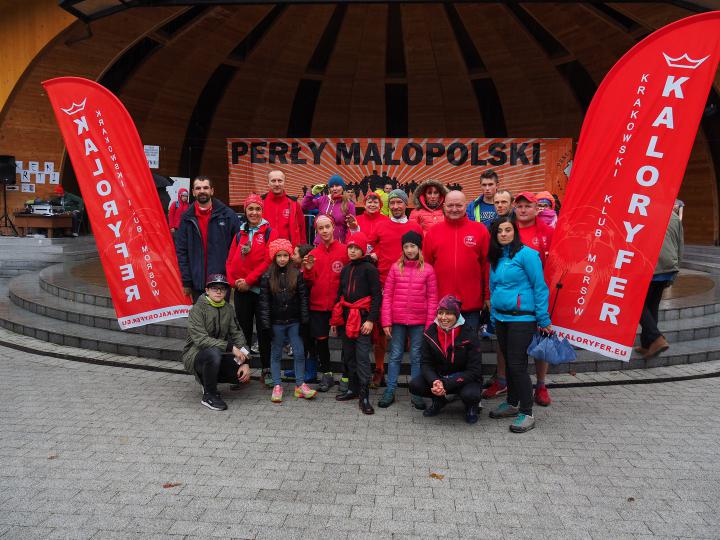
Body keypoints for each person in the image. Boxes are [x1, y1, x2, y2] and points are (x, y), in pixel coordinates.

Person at [487, 217, 551, 433]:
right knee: (509, 362)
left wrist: (543, 318)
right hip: (502, 318)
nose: (504, 234)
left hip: (522, 319)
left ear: (514, 232)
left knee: (517, 365)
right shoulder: (496, 258)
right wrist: (494, 316)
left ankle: (527, 412)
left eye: (508, 230)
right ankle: (512, 403)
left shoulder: (528, 255)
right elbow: (494, 288)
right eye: (499, 231)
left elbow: (539, 286)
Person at [366, 189, 423, 387]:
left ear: (406, 204)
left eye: (399, 202)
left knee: (408, 329)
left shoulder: (415, 227)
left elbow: (422, 252)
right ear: (388, 205)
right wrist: (374, 253)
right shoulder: (381, 225)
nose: (396, 206)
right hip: (384, 284)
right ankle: (379, 369)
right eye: (392, 203)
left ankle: (415, 378)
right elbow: (368, 246)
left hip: (410, 285)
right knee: (382, 330)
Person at [379, 230, 438, 409]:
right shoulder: (395, 268)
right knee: (395, 355)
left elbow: (432, 299)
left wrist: (429, 324)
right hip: (397, 321)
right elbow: (387, 296)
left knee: (416, 356)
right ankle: (390, 389)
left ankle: (416, 392)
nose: (410, 250)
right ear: (402, 249)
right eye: (406, 246)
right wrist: (386, 321)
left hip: (419, 322)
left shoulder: (428, 270)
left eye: (413, 246)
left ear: (419, 248)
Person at [226, 193, 275, 387]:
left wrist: (248, 280)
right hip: (241, 291)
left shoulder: (269, 232)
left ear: (262, 211)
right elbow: (230, 260)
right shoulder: (240, 233)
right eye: (250, 209)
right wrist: (234, 282)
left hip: (261, 291)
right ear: (245, 211)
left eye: (258, 209)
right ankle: (242, 369)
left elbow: (268, 260)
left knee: (264, 332)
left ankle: (266, 369)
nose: (254, 212)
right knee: (242, 333)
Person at [409, 295, 483, 424]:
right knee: (415, 385)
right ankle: (439, 401)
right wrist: (435, 381)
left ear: (457, 315)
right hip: (440, 377)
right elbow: (426, 363)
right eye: (440, 313)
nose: (443, 317)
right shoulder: (430, 332)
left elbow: (474, 370)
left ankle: (471, 407)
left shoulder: (469, 334)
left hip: (464, 379)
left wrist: (447, 383)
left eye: (448, 313)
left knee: (471, 394)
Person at [330, 232, 382, 415]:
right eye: (350, 247)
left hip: (362, 319)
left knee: (362, 357)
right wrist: (335, 319)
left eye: (356, 248)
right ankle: (353, 389)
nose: (352, 251)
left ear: (363, 250)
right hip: (346, 319)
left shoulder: (370, 269)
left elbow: (376, 296)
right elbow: (340, 294)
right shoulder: (345, 269)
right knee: (349, 356)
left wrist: (370, 320)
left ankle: (364, 395)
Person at [259, 238, 316, 403]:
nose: (282, 259)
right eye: (279, 255)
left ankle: (300, 384)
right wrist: (266, 324)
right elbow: (264, 303)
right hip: (276, 322)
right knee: (276, 353)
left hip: (294, 321)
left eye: (285, 255)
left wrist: (304, 320)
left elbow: (303, 298)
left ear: (290, 256)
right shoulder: (267, 276)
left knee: (299, 352)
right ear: (274, 257)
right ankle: (277, 384)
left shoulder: (297, 274)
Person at [423, 190, 490, 331]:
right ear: (444, 206)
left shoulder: (480, 230)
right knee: (442, 344)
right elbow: (426, 269)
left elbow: (487, 267)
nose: (454, 209)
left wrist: (487, 296)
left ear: (466, 206)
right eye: (450, 205)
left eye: (459, 205)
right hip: (441, 306)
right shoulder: (433, 232)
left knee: (469, 344)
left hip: (471, 304)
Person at [182, 274, 250, 411]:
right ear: (207, 290)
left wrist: (246, 361)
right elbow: (201, 340)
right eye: (214, 288)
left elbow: (237, 334)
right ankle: (209, 395)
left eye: (222, 289)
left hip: (218, 353)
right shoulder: (197, 309)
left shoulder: (228, 309)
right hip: (195, 355)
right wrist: (230, 347)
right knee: (213, 354)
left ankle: (207, 380)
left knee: (238, 369)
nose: (219, 292)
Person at [303, 215, 349, 392]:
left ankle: (346, 376)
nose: (324, 231)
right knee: (321, 341)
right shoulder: (313, 255)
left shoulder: (345, 251)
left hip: (340, 305)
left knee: (346, 341)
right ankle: (327, 374)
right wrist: (307, 271)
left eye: (327, 227)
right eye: (320, 228)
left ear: (333, 227)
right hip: (318, 305)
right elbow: (309, 282)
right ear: (317, 231)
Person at [176, 176, 241, 300]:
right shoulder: (186, 218)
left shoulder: (228, 215)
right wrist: (186, 281)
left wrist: (232, 275)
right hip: (197, 282)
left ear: (212, 191)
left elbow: (238, 248)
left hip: (221, 281)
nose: (202, 191)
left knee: (222, 313)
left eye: (205, 188)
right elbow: (181, 251)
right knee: (201, 313)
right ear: (193, 192)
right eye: (198, 188)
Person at [636, 209, 683, 359]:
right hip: (668, 266)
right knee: (652, 306)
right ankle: (647, 345)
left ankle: (657, 338)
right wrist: (674, 272)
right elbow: (680, 245)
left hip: (650, 266)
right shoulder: (674, 217)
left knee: (635, 304)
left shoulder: (644, 212)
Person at [302, 174, 356, 243]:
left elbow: (351, 227)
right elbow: (305, 205)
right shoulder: (323, 199)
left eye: (337, 185)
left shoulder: (349, 204)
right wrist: (312, 193)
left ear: (342, 187)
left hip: (338, 243)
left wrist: (348, 244)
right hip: (321, 243)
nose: (334, 188)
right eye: (332, 186)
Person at [263, 169, 306, 245]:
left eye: (280, 181)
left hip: (289, 249)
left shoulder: (294, 204)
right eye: (273, 181)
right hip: (265, 248)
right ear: (268, 183)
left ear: (284, 182)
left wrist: (302, 248)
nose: (277, 184)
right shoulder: (260, 202)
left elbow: (301, 228)